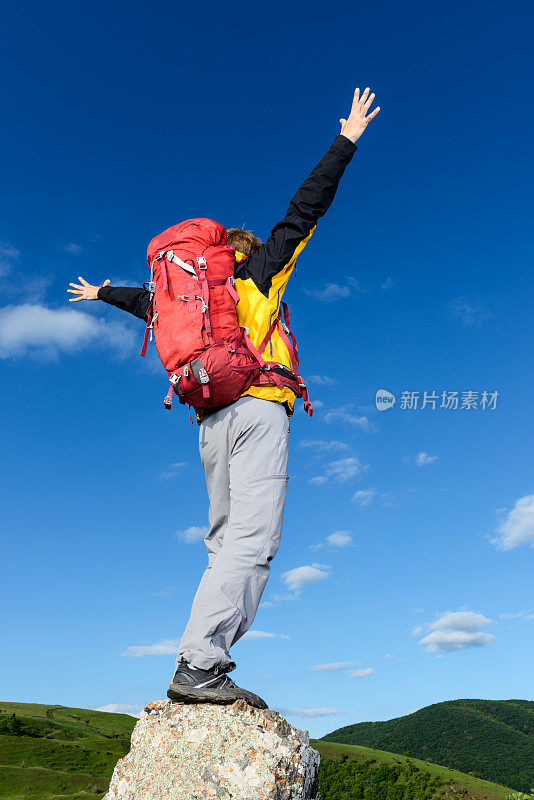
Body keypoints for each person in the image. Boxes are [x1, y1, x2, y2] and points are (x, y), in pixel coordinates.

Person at [68, 87, 380, 709]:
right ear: (238, 255)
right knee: (253, 542)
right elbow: (304, 209)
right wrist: (346, 140)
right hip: (259, 409)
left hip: (209, 422)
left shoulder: (190, 305)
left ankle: (200, 655)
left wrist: (103, 291)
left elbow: (150, 305)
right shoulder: (258, 275)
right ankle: (200, 661)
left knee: (223, 540)